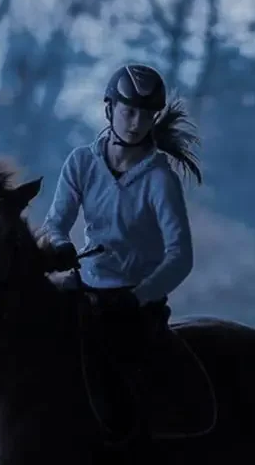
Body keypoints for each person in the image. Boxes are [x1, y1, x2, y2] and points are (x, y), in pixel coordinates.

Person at [41, 62, 203, 364]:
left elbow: (181, 256)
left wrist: (139, 297)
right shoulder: (81, 163)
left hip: (135, 304)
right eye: (129, 112)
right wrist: (60, 244)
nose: (136, 123)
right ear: (109, 109)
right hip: (86, 285)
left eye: (146, 115)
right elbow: (54, 223)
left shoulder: (160, 180)